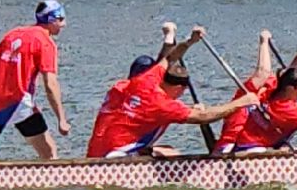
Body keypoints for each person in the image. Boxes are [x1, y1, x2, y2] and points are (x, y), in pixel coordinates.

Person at [85, 24, 258, 158]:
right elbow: (203, 117)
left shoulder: (145, 80)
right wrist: (242, 102)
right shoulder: (162, 104)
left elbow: (169, 57)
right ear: (180, 88)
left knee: (170, 151)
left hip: (97, 151)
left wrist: (190, 41)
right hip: (115, 158)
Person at [0, 0, 72, 161]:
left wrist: (0, 86)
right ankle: (51, 184)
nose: (64, 24)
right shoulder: (45, 43)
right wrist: (62, 119)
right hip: (19, 102)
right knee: (49, 152)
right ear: (51, 20)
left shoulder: (14, 33)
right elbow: (50, 84)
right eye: (61, 20)